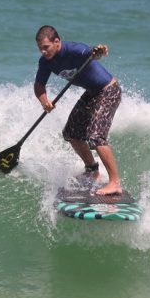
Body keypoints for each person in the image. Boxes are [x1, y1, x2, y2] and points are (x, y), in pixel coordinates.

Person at [34, 25, 123, 195]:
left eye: (46, 47)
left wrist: (100, 51)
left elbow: (93, 53)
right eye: (40, 49)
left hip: (108, 91)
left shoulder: (75, 50)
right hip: (92, 93)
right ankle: (92, 171)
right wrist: (45, 102)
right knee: (71, 133)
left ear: (57, 42)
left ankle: (115, 182)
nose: (43, 52)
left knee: (96, 137)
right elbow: (39, 85)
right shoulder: (45, 62)